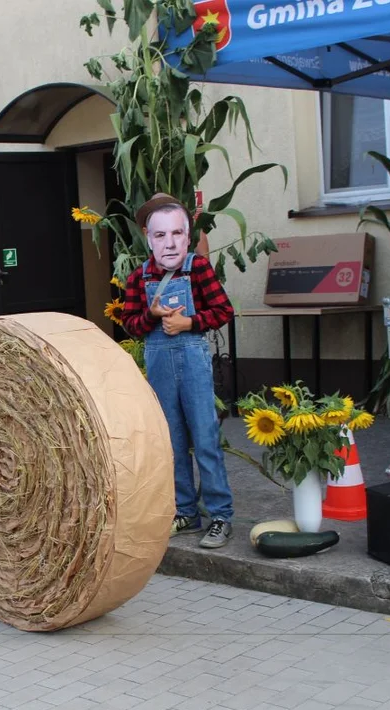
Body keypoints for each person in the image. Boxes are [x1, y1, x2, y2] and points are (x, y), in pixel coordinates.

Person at [121, 193, 235, 550]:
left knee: (205, 439)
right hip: (159, 366)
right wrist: (150, 317)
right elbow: (130, 325)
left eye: (176, 234)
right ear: (147, 238)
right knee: (170, 442)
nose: (168, 243)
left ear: (187, 237)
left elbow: (223, 310)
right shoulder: (138, 277)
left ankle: (220, 515)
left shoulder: (197, 268)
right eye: (159, 235)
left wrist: (189, 322)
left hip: (194, 362)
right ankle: (185, 511)